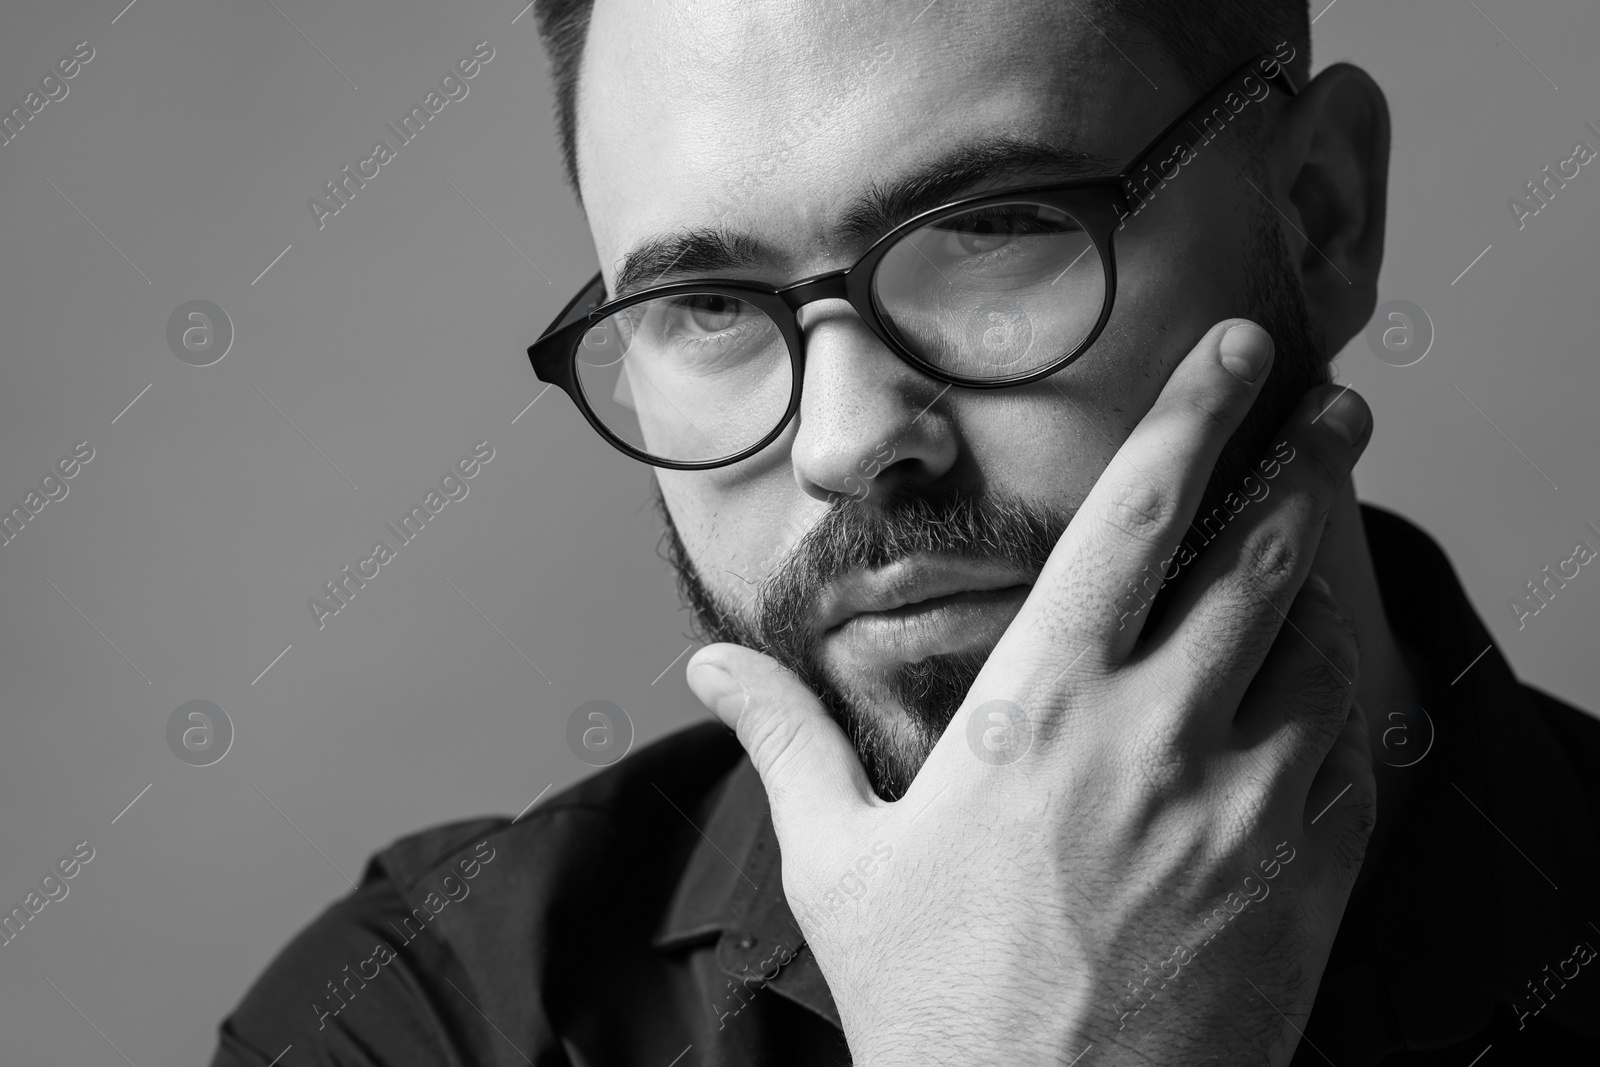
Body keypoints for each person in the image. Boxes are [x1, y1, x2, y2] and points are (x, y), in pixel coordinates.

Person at [210, 1, 1600, 1063]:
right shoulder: (425, 1022)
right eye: (704, 307)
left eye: (992, 228)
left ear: (1319, 218)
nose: (845, 442)